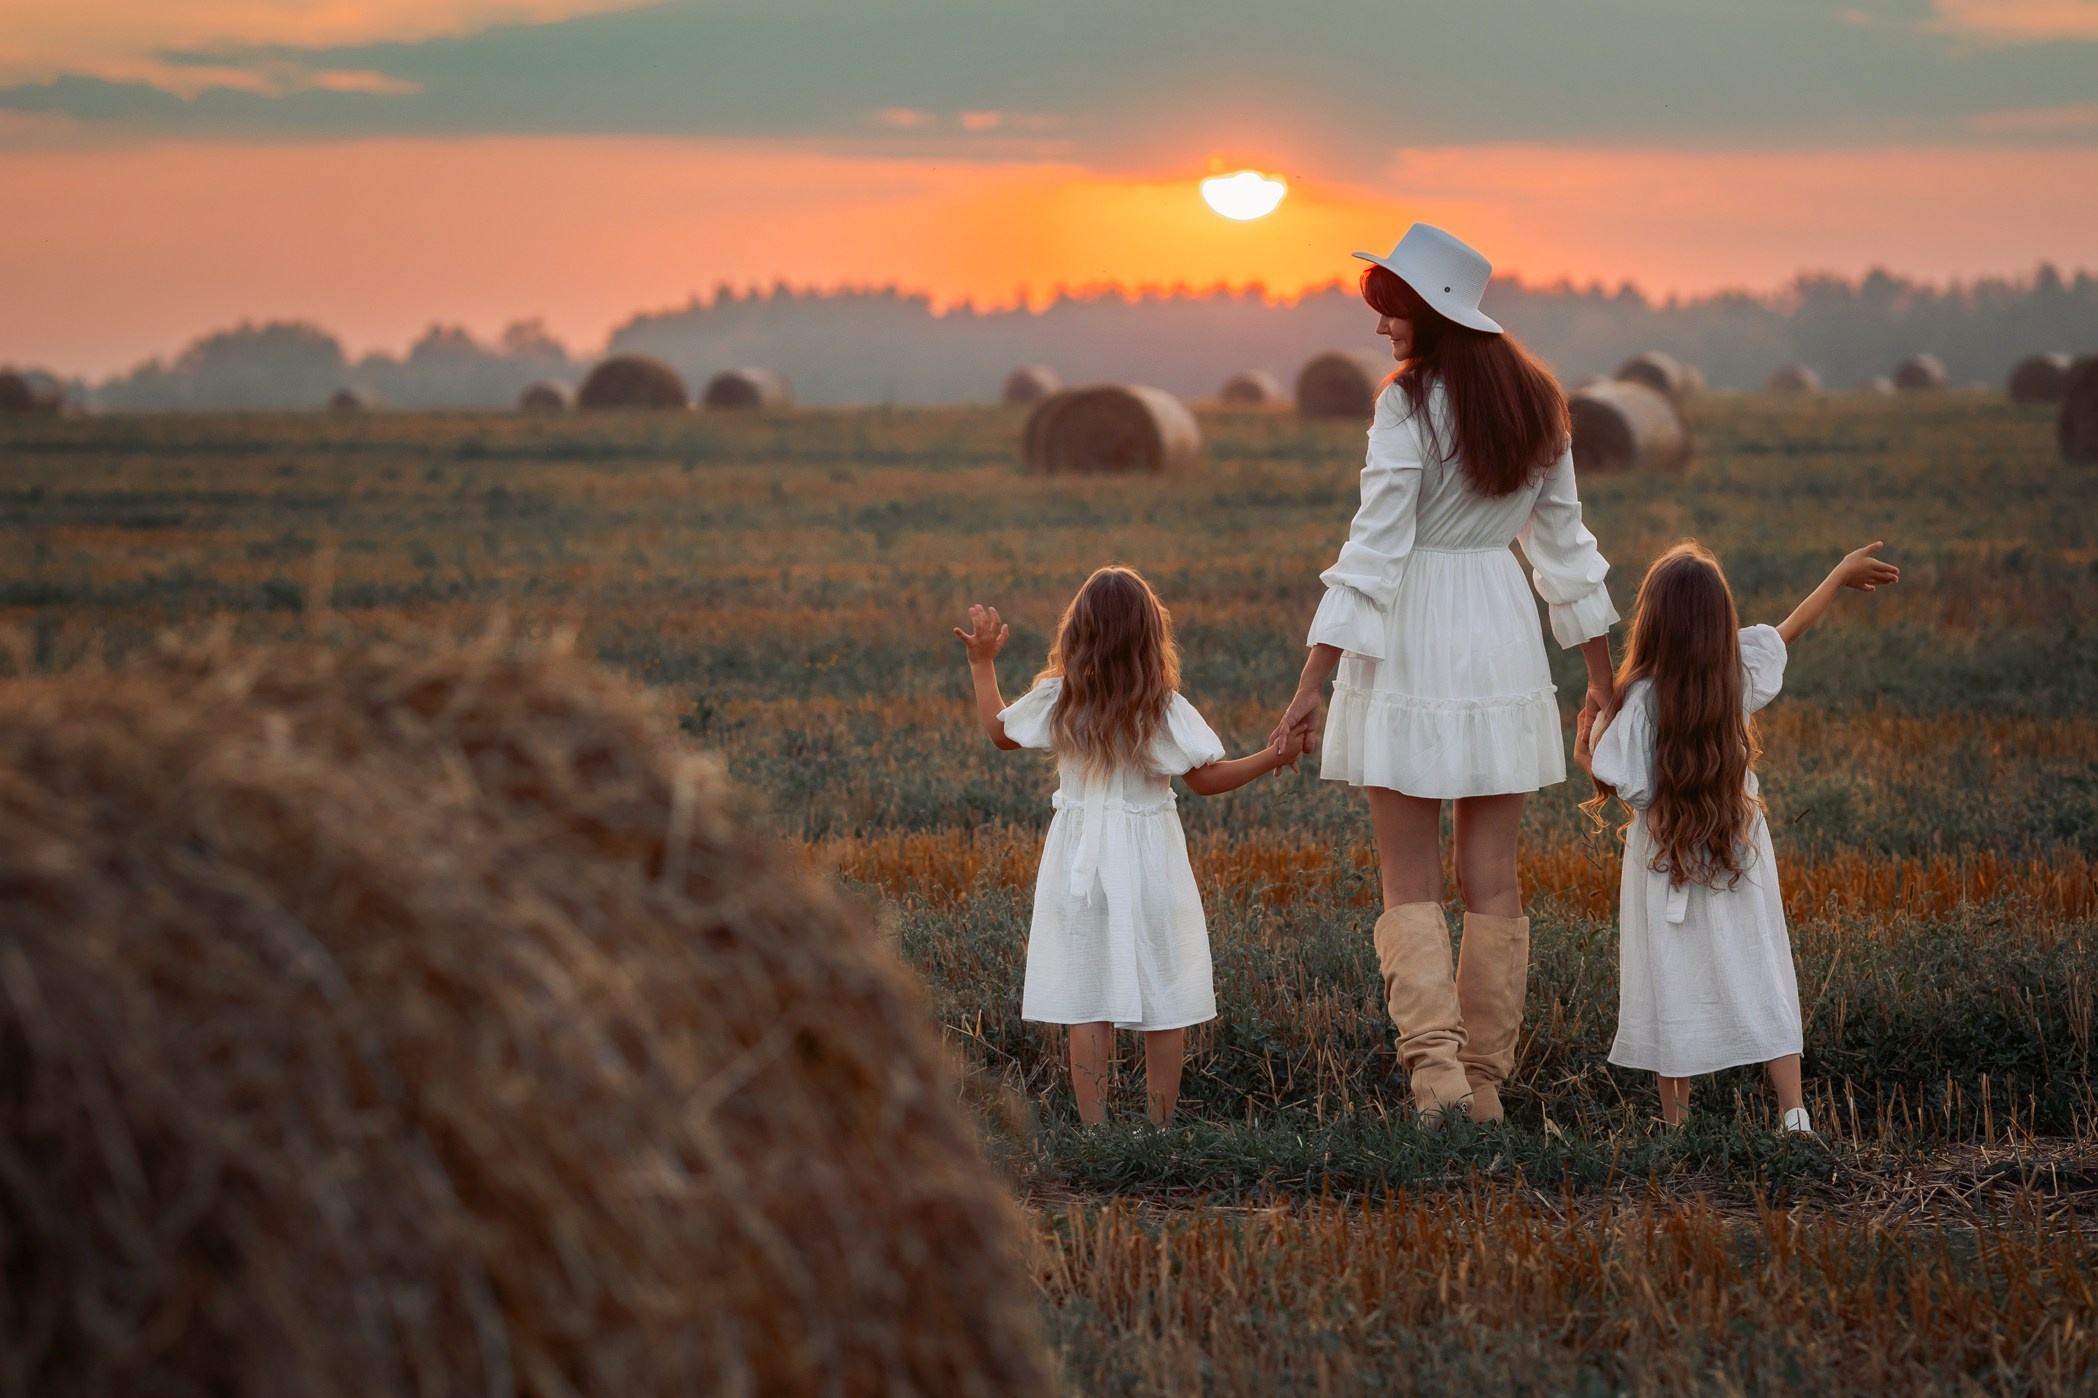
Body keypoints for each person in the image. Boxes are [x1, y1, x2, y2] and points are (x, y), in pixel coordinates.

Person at [1269, 224, 1618, 1124]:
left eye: (1393, 309)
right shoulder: (1540, 403)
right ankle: (1486, 1084)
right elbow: (1568, 554)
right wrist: (1600, 679)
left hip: (1412, 632)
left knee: (1409, 878)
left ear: (1433, 312)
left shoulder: (1407, 405)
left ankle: (1437, 1083)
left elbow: (1374, 550)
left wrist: (1312, 681)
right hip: (1500, 629)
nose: (1381, 326)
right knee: (1491, 876)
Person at [956, 567, 1306, 1124]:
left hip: (1079, 866)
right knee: (1164, 995)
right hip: (1149, 865)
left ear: (1077, 631)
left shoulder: (1061, 698)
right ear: (1150, 635)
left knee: (1087, 999)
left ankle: (1097, 1134)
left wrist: (982, 663)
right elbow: (1205, 779)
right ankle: (1157, 1130)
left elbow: (1001, 734)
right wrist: (1273, 757)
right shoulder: (1162, 706)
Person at [1575, 540, 1900, 1133]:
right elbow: (1788, 630)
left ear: (1652, 625)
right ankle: (1794, 1113)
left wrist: (1589, 752)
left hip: (1665, 865)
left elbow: (1628, 786)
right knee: (1762, 965)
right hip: (1739, 853)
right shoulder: (1736, 677)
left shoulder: (1639, 704)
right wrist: (1837, 575)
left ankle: (1677, 1128)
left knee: (1671, 978)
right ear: (1721, 623)